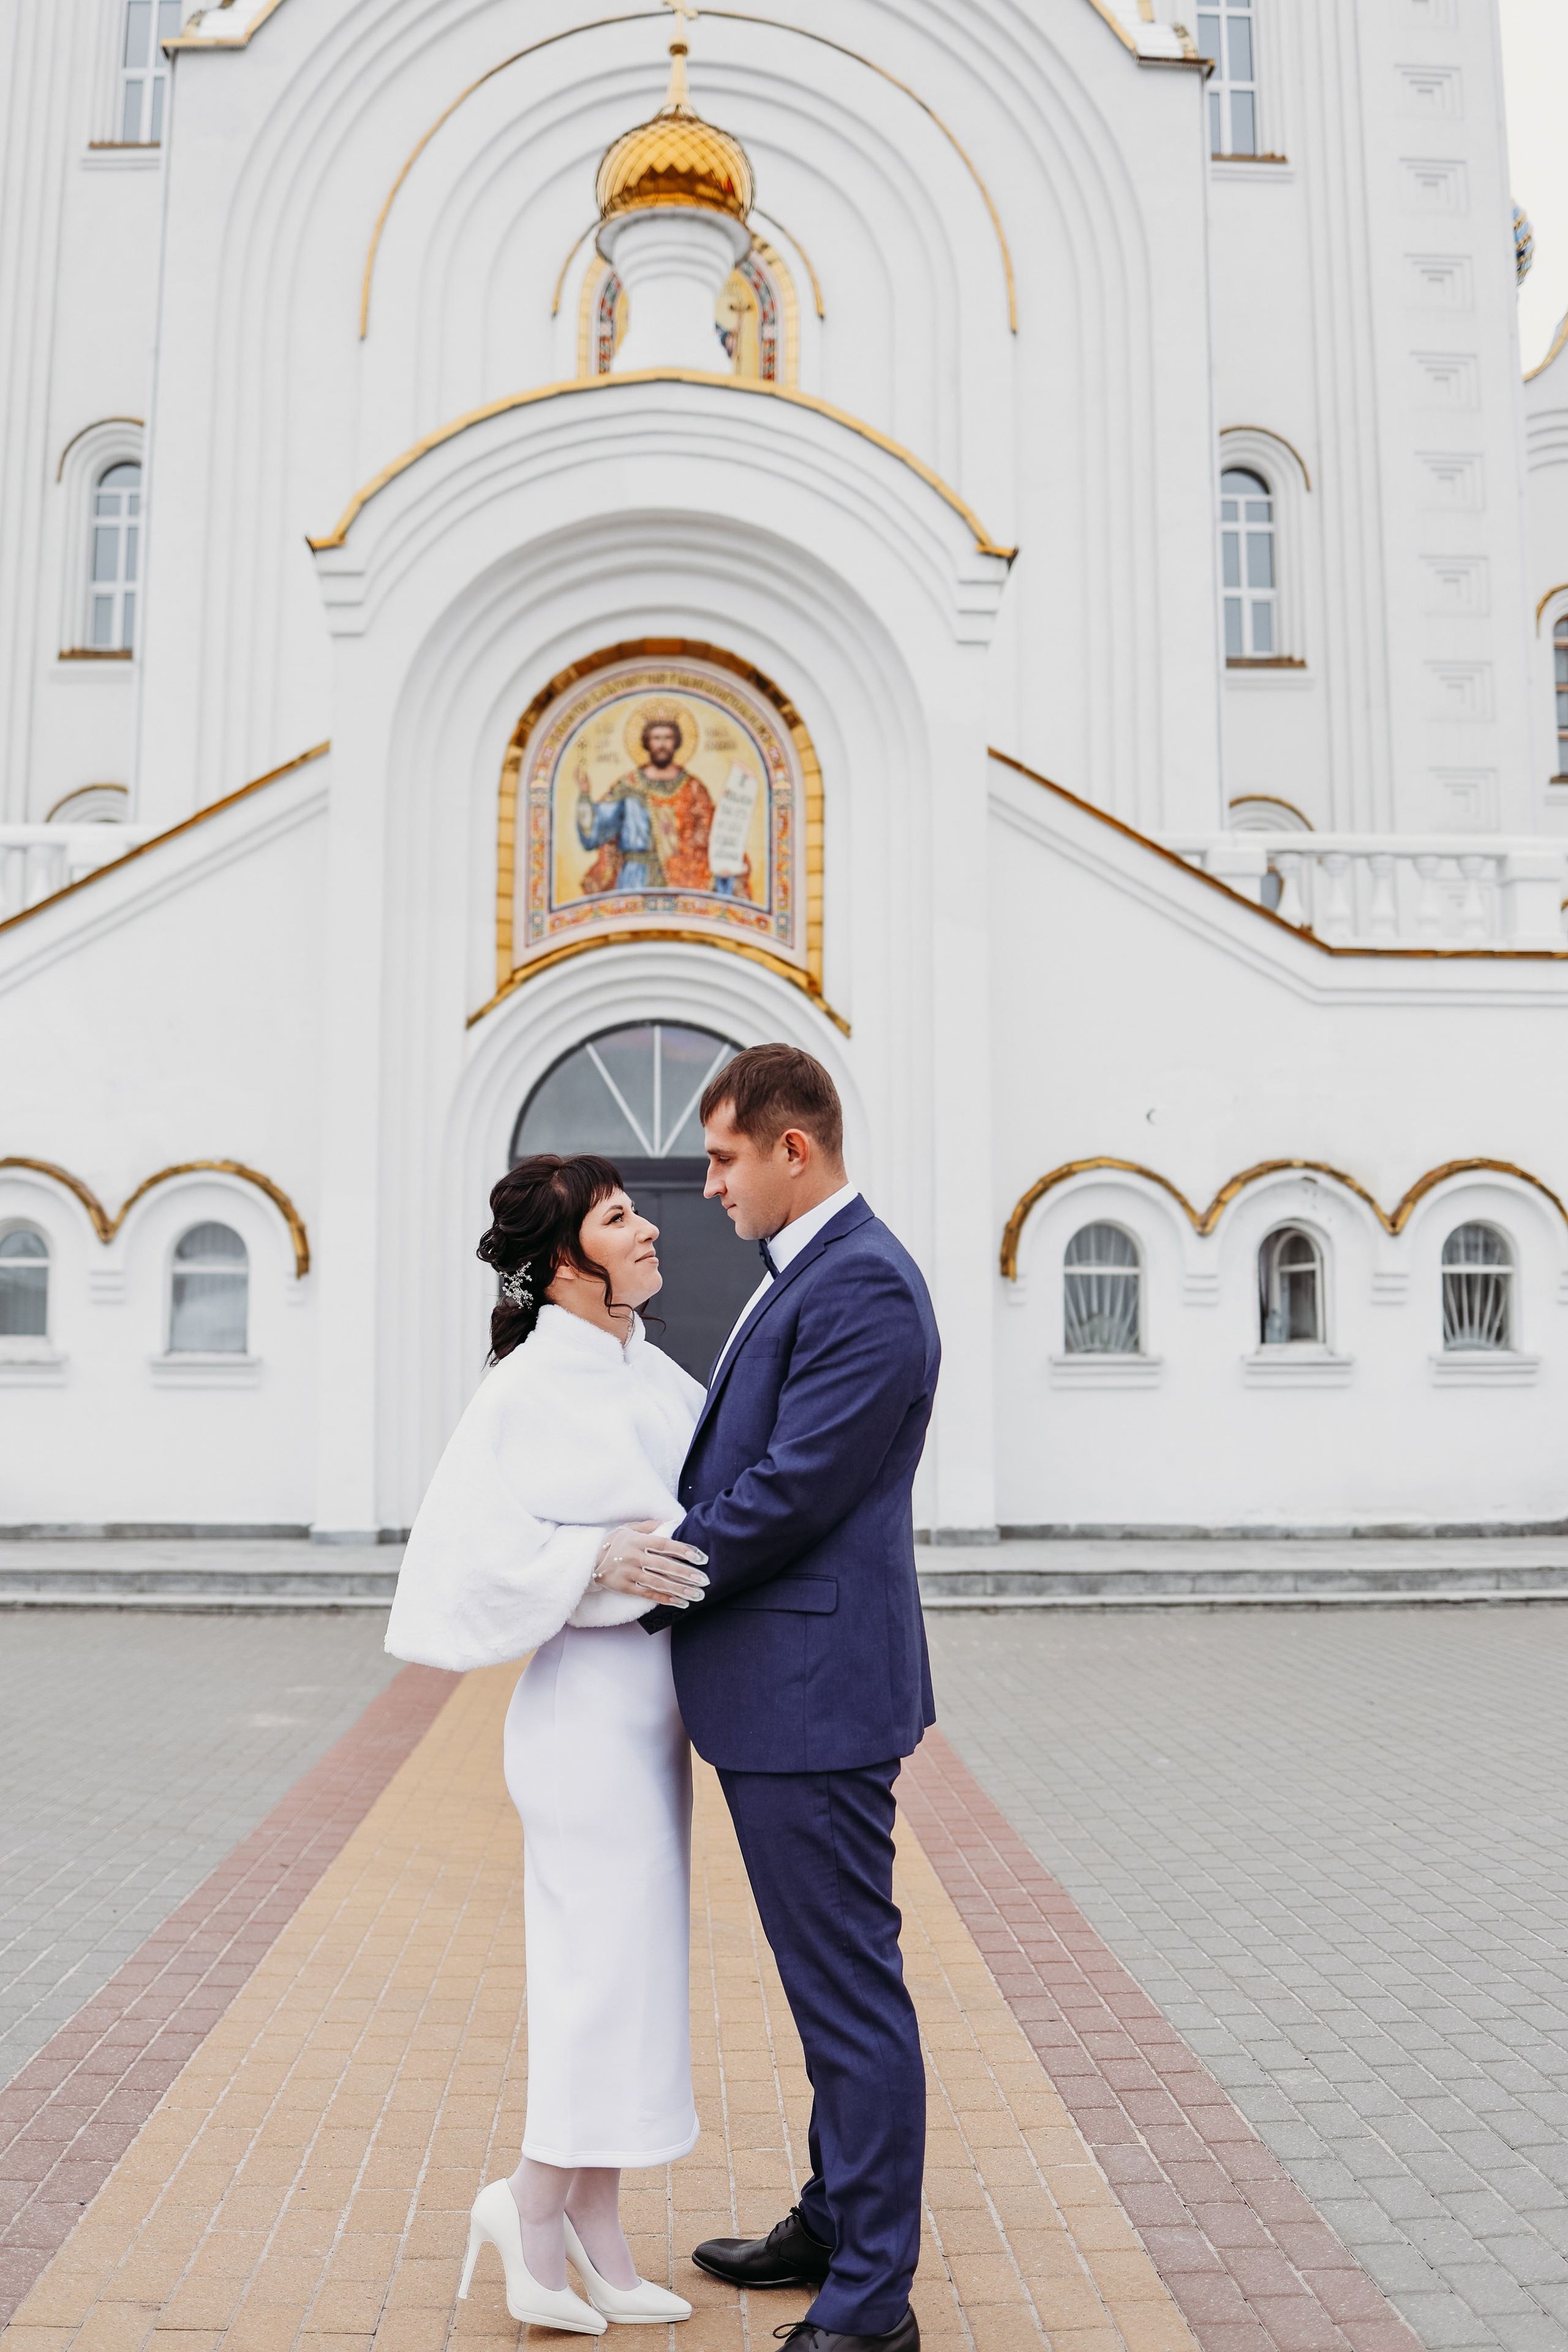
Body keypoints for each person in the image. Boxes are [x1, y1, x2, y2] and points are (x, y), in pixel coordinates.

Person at [630, 1042, 942, 2352]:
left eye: (719, 1159)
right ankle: (829, 2221)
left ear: (790, 1149)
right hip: (788, 1690)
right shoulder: (810, 1271)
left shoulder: (862, 1282)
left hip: (812, 1699)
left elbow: (796, 1488)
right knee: (828, 1986)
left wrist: (647, 1580)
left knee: (849, 1995)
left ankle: (870, 2298)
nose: (705, 1185)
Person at [385, 1153, 711, 2336]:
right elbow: (458, 1560)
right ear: (568, 1258)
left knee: (634, 1973)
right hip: (581, 1716)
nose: (650, 1229)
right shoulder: (521, 1390)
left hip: (655, 1715)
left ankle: (600, 2231)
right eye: (622, 1219)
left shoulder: (655, 1373)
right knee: (590, 1976)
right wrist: (586, 1564)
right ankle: (528, 2210)